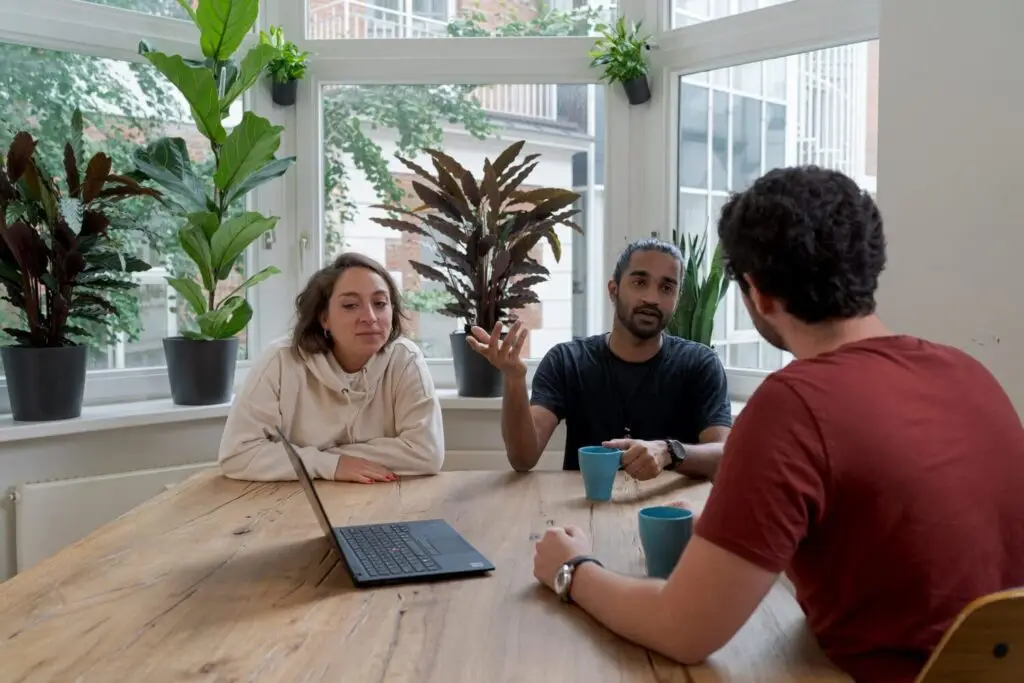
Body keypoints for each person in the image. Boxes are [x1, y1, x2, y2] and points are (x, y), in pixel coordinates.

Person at [529, 166, 1024, 683]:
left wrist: (573, 569)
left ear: (758, 295)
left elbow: (682, 631)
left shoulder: (794, 405)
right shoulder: (970, 374)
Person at [469, 238, 732, 481]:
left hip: (668, 515)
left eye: (666, 287)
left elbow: (725, 457)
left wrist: (668, 452)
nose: (652, 298)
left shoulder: (700, 364)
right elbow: (522, 458)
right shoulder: (567, 361)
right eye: (639, 282)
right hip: (585, 514)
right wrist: (514, 380)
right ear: (613, 290)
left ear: (676, 299)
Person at [218, 252, 445, 482]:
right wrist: (329, 465)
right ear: (324, 318)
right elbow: (237, 454)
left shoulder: (405, 359)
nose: (370, 317)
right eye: (350, 305)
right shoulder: (281, 360)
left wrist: (319, 457)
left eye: (380, 303)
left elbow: (427, 453)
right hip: (292, 503)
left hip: (382, 497)